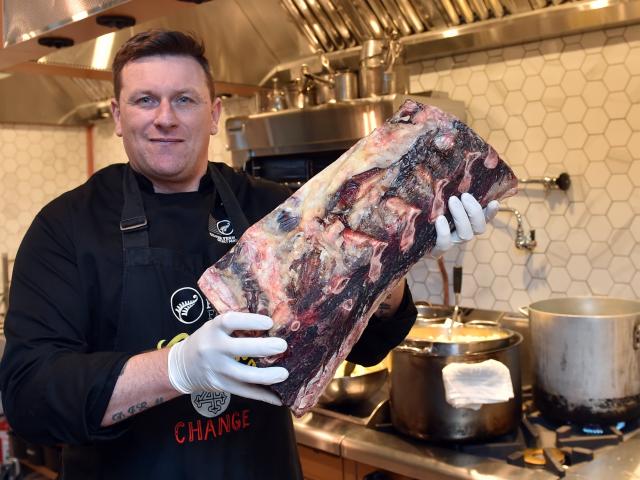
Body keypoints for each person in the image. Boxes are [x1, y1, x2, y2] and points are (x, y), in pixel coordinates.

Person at [0, 30, 498, 479]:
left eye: (185, 99)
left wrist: (396, 263)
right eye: (145, 100)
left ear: (216, 113)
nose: (165, 118)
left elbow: (363, 345)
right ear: (116, 115)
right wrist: (177, 369)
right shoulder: (65, 228)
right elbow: (30, 397)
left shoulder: (274, 208)